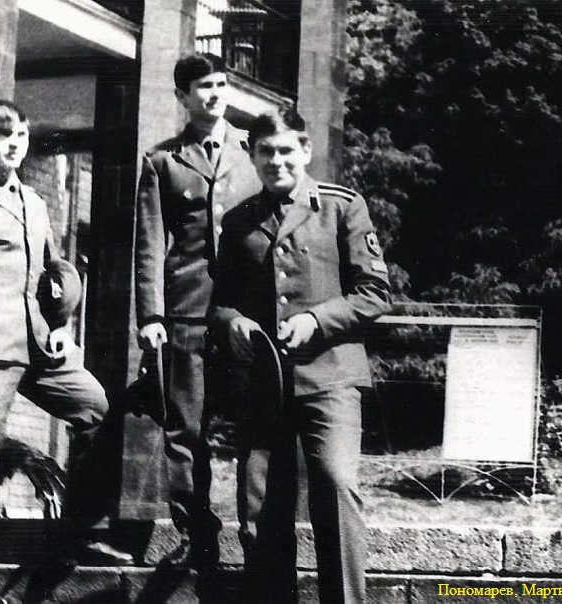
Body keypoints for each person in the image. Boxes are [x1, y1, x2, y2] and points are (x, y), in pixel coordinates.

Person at [0, 99, 131, 604]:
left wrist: (60, 322)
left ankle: (78, 535)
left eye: (22, 135)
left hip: (36, 344)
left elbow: (57, 270)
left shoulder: (34, 203)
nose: (15, 144)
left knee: (98, 409)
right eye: (4, 134)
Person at [208, 107, 393, 604]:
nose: (276, 161)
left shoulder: (341, 207)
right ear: (252, 156)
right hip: (264, 385)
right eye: (265, 152)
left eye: (286, 150)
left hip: (330, 378)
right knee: (261, 507)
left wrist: (316, 320)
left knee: (335, 486)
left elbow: (375, 293)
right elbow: (220, 303)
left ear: (305, 151)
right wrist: (233, 322)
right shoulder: (238, 221)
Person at [134, 52, 262, 568]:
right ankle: (196, 536)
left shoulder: (253, 151)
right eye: (203, 86)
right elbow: (149, 245)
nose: (214, 94)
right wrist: (151, 316)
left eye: (220, 84)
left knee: (255, 426)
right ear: (182, 97)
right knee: (186, 430)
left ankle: (257, 536)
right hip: (187, 311)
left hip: (247, 314)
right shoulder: (162, 160)